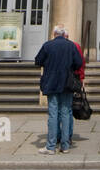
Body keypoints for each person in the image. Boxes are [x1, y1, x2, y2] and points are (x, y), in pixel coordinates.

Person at [33, 24, 83, 155]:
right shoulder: (71, 45)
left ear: (54, 33)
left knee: (53, 114)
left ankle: (51, 146)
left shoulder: (48, 45)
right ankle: (65, 145)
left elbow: (38, 61)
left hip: (51, 82)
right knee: (66, 113)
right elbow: (79, 63)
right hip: (67, 83)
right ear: (63, 34)